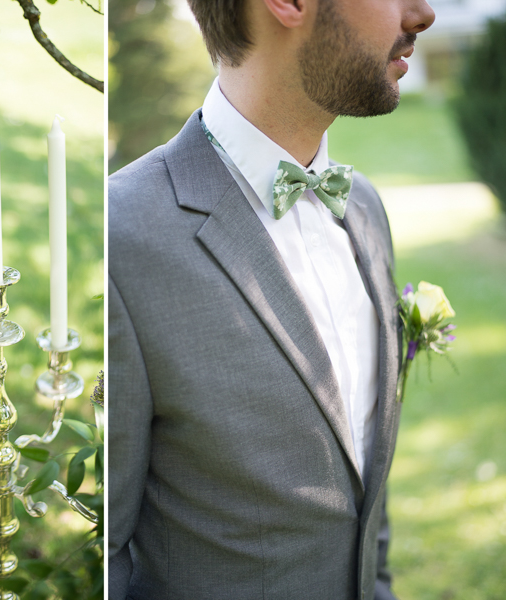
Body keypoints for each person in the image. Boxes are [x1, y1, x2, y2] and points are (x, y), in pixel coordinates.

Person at [107, 0, 435, 598]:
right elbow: (103, 556)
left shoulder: (364, 210)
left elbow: (365, 499)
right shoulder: (120, 237)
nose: (423, 13)